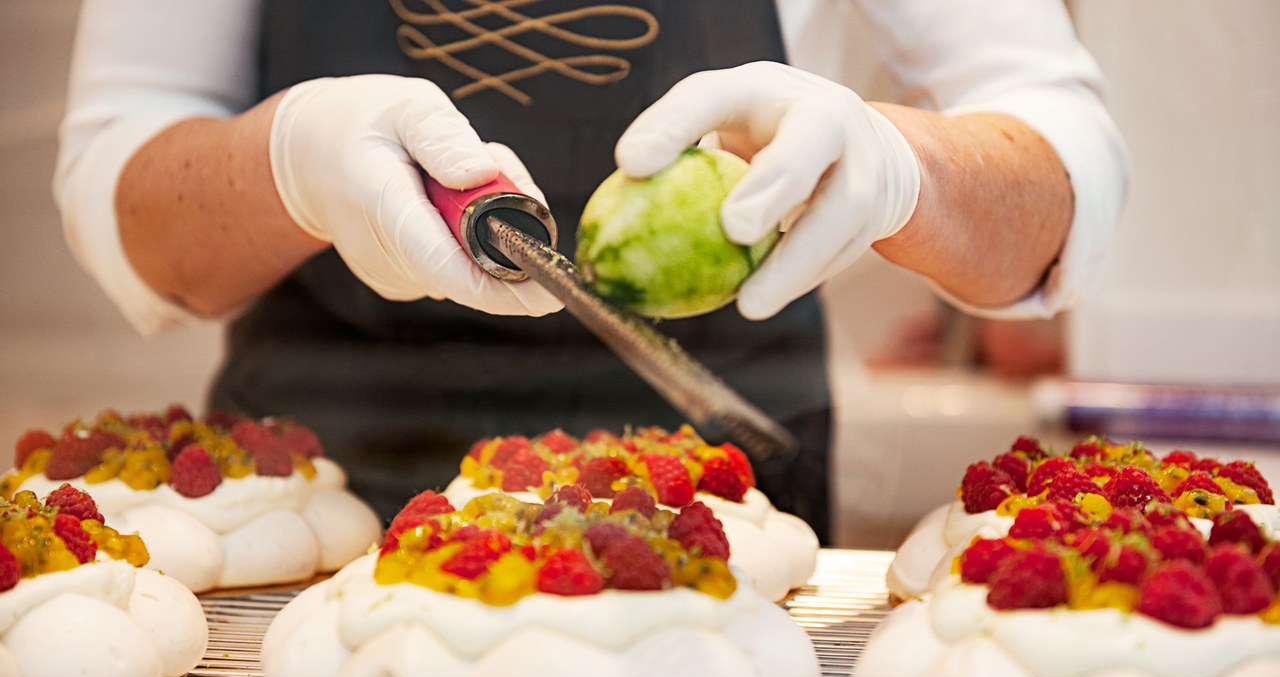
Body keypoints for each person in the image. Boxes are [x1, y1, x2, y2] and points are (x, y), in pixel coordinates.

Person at [53, 0, 1128, 542]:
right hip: (307, 530)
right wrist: (284, 160)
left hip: (714, 533)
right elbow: (123, 184)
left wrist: (906, 170)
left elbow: (1059, 150)